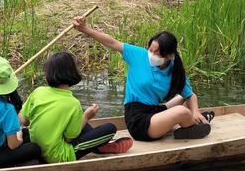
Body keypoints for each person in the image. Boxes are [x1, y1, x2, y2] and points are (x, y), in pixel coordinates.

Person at [72, 18, 210, 141]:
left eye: (156, 53)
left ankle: (193, 120)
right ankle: (192, 125)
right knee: (182, 111)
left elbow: (189, 95)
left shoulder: (175, 70)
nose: (151, 54)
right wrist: (85, 29)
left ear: (169, 56)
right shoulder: (139, 55)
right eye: (150, 49)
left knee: (184, 100)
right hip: (139, 121)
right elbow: (112, 42)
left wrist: (196, 110)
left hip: (156, 111)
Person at [20, 51, 125, 162]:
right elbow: (70, 138)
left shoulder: (38, 92)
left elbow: (22, 120)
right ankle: (99, 147)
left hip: (37, 149)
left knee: (80, 123)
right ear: (72, 72)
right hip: (58, 157)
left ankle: (99, 146)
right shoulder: (73, 103)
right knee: (110, 128)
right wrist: (86, 116)